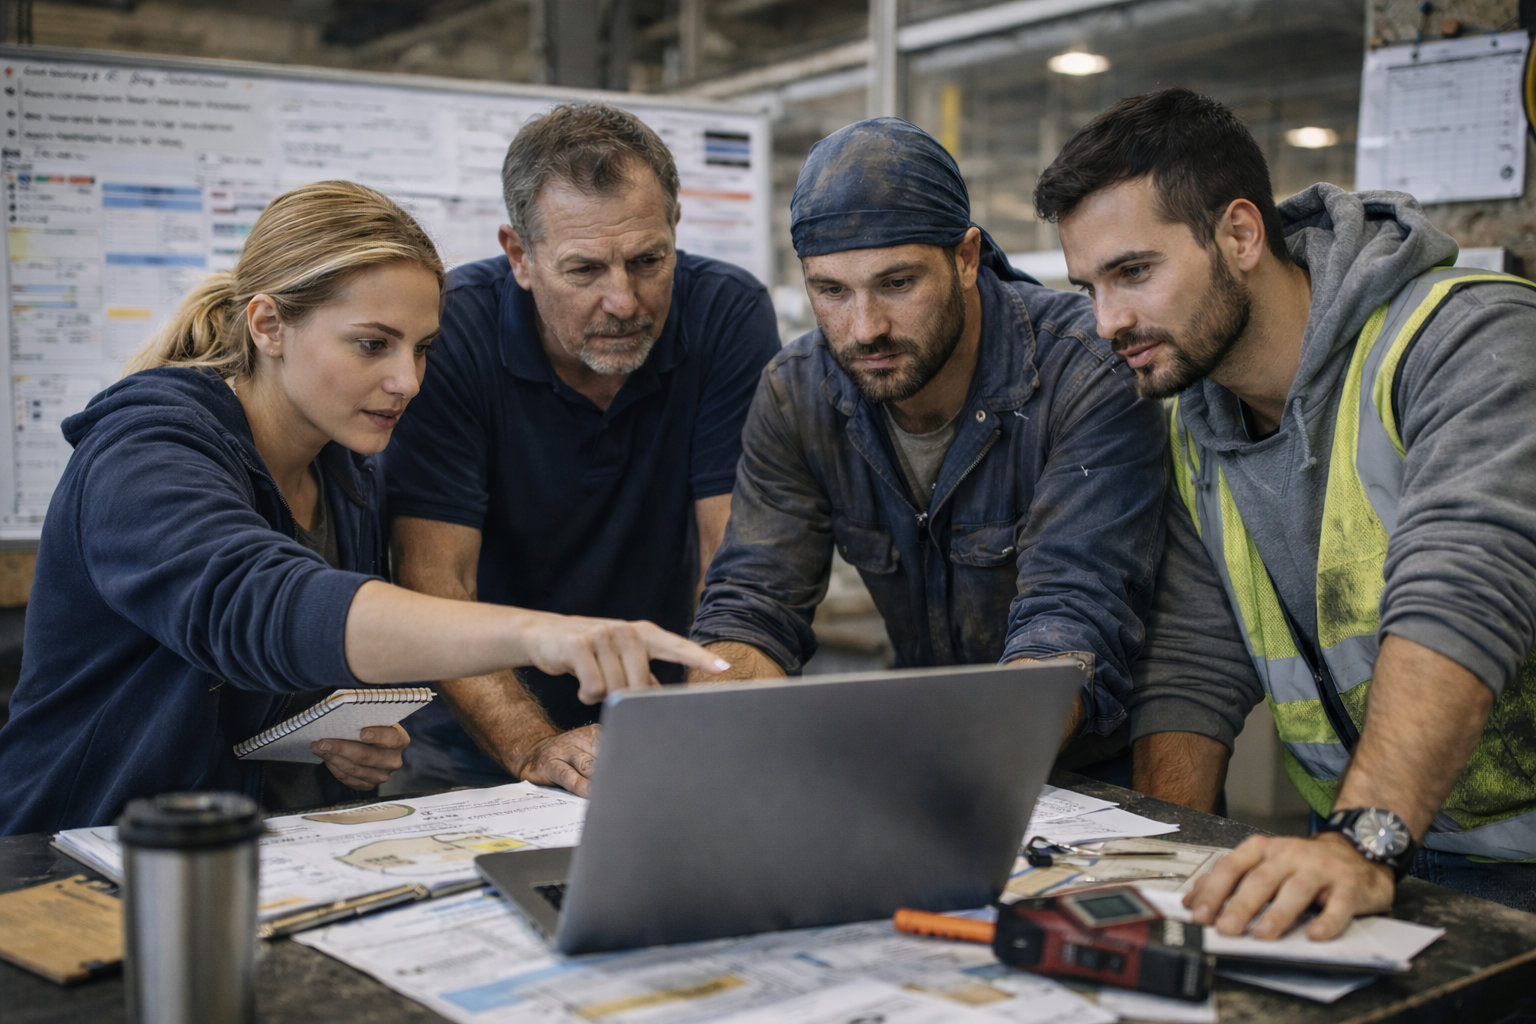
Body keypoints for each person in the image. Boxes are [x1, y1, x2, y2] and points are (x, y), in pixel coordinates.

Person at [0, 181, 729, 836]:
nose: (408, 380)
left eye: (422, 349)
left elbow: (256, 685)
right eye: (373, 345)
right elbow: (262, 606)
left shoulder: (345, 472)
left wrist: (327, 742)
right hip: (70, 853)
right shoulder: (147, 451)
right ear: (267, 325)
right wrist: (541, 634)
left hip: (249, 855)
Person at [1036, 88, 1536, 938]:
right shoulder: (1200, 426)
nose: (1107, 321)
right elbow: (1195, 664)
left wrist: (1362, 841)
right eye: (1088, 287)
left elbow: (1465, 590)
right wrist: (1161, 872)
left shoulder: (1468, 337)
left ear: (1238, 235)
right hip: (1363, 848)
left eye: (1133, 272)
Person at [688, 118, 1167, 771]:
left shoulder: (1086, 372)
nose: (865, 329)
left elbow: (1071, 615)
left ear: (966, 258)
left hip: (1102, 774)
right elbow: (753, 601)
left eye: (897, 283)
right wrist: (701, 763)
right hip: (947, 756)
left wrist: (957, 776)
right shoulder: (796, 392)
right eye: (830, 291)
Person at [384, 103, 779, 797]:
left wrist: (707, 727)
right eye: (584, 270)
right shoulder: (451, 335)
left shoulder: (724, 312)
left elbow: (734, 558)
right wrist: (534, 745)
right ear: (520, 256)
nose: (623, 301)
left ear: (675, 229)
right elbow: (437, 582)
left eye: (648, 260)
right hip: (479, 739)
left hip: (665, 716)